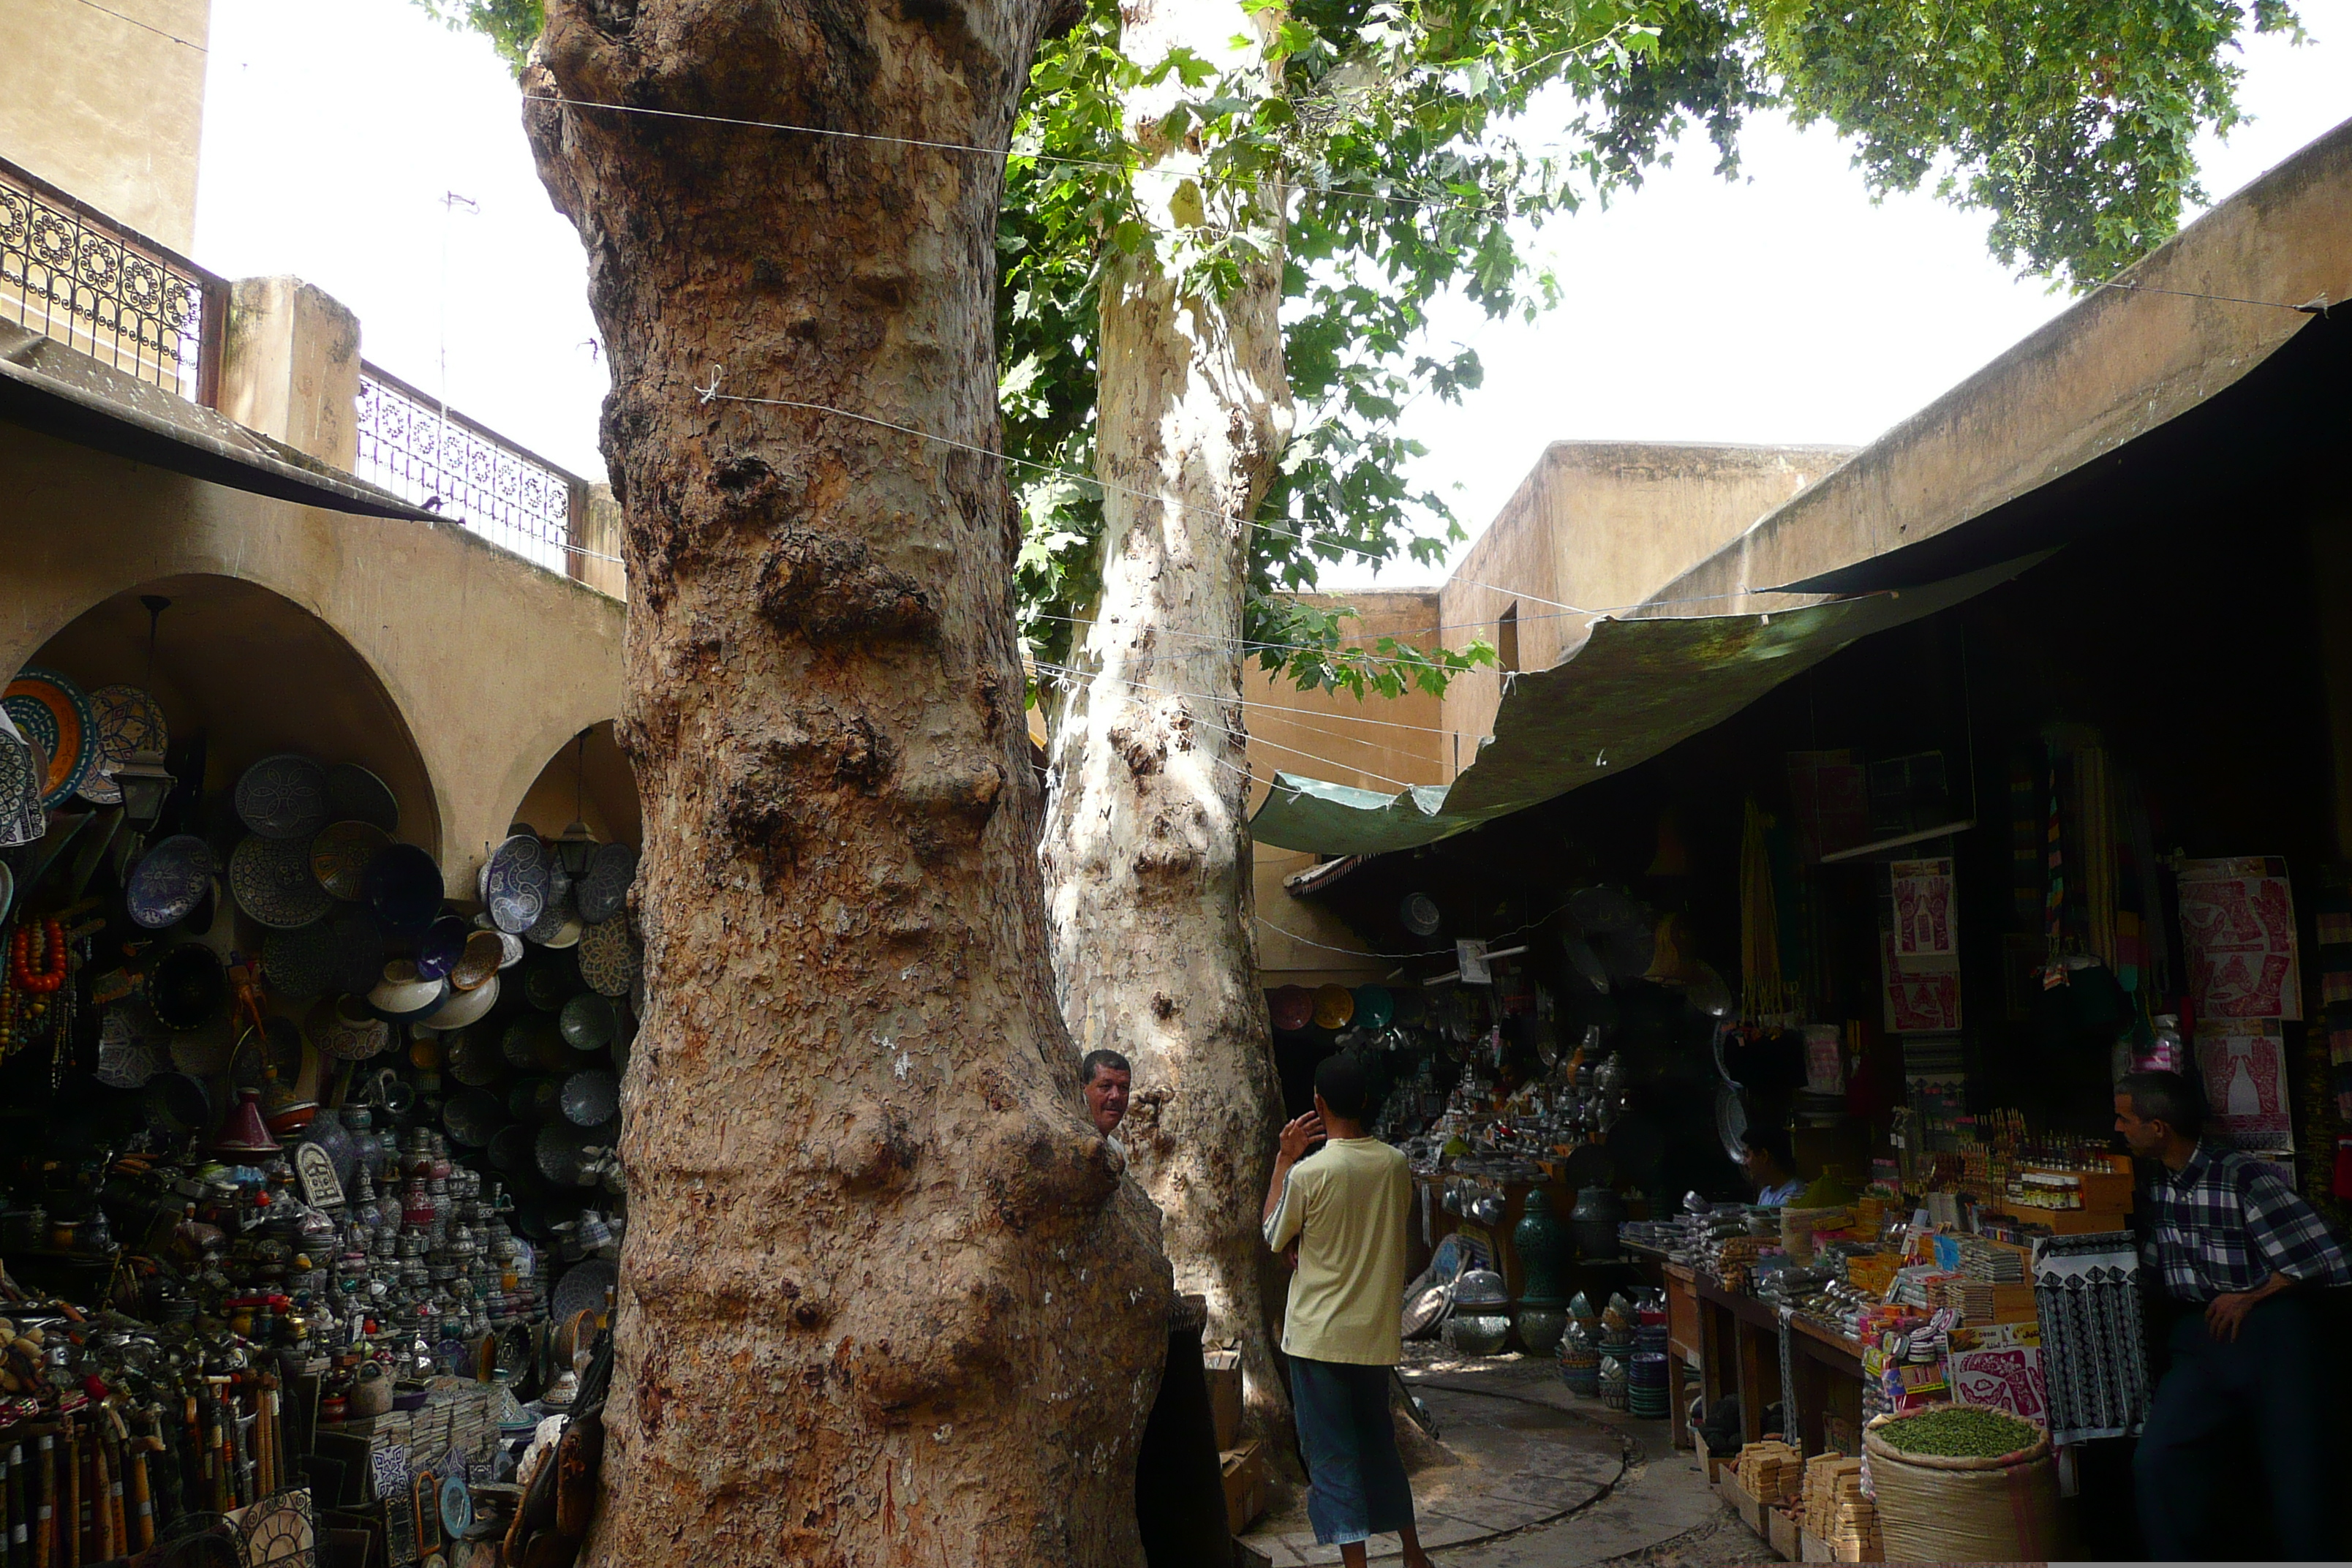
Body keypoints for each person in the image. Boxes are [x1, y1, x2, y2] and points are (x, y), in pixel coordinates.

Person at [2116, 1068, 2350, 1559]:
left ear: (2158, 1128)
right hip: (2202, 1337)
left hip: (2272, 1335)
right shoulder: (2158, 1186)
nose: (2118, 1129)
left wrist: (2253, 1295)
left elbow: (2332, 1257)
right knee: (2159, 1460)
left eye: (2125, 1119)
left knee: (2296, 1479)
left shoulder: (2241, 1177)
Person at [1262, 1052, 1429, 1568]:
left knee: (1332, 1456)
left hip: (1317, 1336)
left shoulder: (1309, 1173)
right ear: (1364, 1102)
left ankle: (1355, 1564)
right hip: (1373, 1335)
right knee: (1379, 1445)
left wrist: (1283, 1160)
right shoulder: (1395, 1165)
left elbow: (1273, 1235)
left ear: (1317, 1103)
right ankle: (1413, 1554)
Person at [1740, 1124, 1803, 1207]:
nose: (1744, 1163)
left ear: (1764, 1156)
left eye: (1747, 1155)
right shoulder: (1765, 1193)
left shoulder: (1794, 1195)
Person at [1081, 1048, 1131, 1138]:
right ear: (1084, 1089)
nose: (1116, 1096)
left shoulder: (1117, 1150)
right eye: (1105, 1086)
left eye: (1123, 1088)